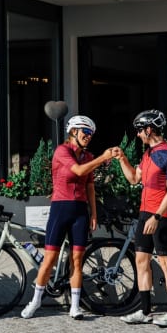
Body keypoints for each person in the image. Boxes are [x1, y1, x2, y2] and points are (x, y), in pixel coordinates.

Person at [21, 115, 118, 320]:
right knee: (50, 259)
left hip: (80, 210)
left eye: (91, 134)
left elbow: (90, 185)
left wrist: (93, 212)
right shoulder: (62, 151)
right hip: (60, 207)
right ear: (73, 131)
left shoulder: (88, 156)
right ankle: (36, 300)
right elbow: (78, 170)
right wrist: (103, 157)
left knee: (77, 259)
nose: (89, 137)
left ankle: (75, 306)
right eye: (86, 132)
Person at [114, 109, 167, 327]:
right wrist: (122, 159)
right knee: (141, 261)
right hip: (145, 214)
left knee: (166, 263)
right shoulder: (147, 154)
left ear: (149, 129)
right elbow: (134, 179)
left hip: (161, 216)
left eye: (139, 131)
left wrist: (156, 216)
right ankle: (145, 312)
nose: (137, 135)